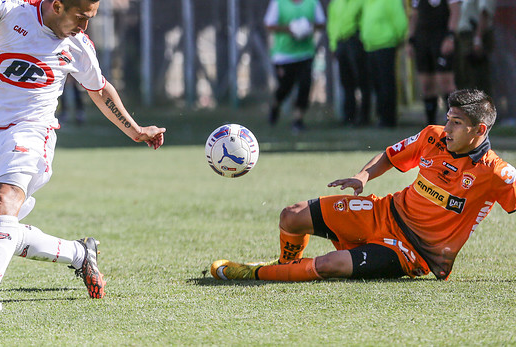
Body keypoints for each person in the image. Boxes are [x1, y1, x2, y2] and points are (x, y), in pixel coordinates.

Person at [0, 0, 166, 313]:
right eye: (81, 17)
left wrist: (136, 130)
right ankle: (79, 254)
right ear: (56, 5)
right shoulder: (11, 9)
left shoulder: (78, 46)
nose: (85, 27)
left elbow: (100, 90)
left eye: (90, 19)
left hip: (32, 131)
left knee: (4, 198)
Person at [211, 89, 516, 283]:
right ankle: (286, 265)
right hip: (384, 212)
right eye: (447, 119)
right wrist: (363, 176)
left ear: (480, 129)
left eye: (457, 123)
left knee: (331, 264)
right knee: (291, 215)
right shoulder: (432, 136)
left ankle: (255, 273)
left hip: (414, 252)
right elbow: (390, 156)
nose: (447, 128)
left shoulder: (495, 172)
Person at [264, 0, 325, 132]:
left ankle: (298, 119)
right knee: (285, 87)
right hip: (283, 55)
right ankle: (275, 106)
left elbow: (321, 23)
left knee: (305, 86)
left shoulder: (312, 1)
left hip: (305, 53)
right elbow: (269, 25)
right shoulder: (278, 2)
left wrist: (307, 27)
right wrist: (289, 29)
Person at [407, 0, 462, 125]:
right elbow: (414, 15)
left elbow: (455, 11)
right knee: (426, 84)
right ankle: (430, 126)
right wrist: (411, 39)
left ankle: (454, 124)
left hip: (441, 38)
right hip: (423, 40)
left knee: (445, 82)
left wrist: (450, 36)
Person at [360, 0, 407, 128]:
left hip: (385, 43)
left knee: (386, 84)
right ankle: (381, 115)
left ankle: (388, 118)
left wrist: (400, 36)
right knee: (378, 84)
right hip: (372, 45)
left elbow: (398, 18)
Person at [327, 0, 370, 126]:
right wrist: (333, 44)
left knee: (361, 80)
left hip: (356, 40)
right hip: (341, 42)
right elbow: (333, 21)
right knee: (347, 82)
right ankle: (349, 115)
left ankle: (363, 115)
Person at [455, 0, 496, 95]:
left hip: (475, 34)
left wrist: (478, 39)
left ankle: (484, 116)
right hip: (464, 36)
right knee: (465, 77)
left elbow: (484, 13)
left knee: (478, 79)